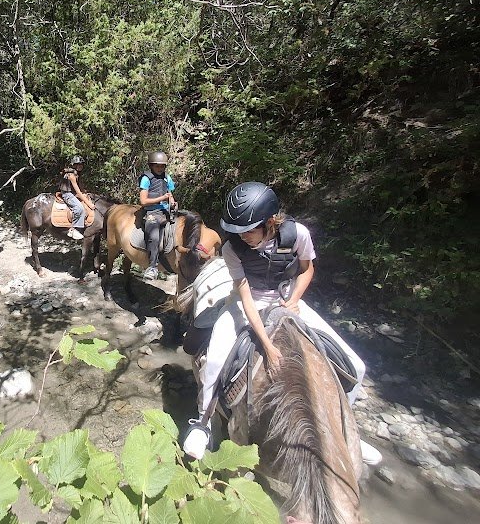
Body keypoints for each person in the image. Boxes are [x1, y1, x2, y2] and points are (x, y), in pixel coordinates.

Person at [185, 182, 381, 465]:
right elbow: (244, 294)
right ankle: (202, 423)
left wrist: (293, 300)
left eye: (248, 230)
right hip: (245, 301)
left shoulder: (298, 234)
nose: (243, 237)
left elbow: (307, 268)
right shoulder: (232, 249)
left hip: (286, 298)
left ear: (268, 222)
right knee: (215, 360)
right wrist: (266, 343)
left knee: (357, 367)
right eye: (237, 232)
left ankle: (342, 432)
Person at [138, 151, 176, 280]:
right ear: (151, 166)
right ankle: (152, 267)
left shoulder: (167, 177)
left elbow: (169, 194)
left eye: (162, 166)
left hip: (165, 212)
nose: (160, 168)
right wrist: (162, 198)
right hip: (151, 212)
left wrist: (172, 202)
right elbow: (143, 201)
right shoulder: (146, 179)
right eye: (157, 166)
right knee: (154, 237)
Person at [59, 155, 89, 241]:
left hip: (73, 193)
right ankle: (73, 229)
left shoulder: (77, 174)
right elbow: (78, 192)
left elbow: (81, 188)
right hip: (67, 194)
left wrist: (86, 193)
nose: (80, 166)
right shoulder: (71, 175)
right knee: (79, 209)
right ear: (74, 165)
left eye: (81, 164)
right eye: (78, 164)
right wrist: (88, 203)